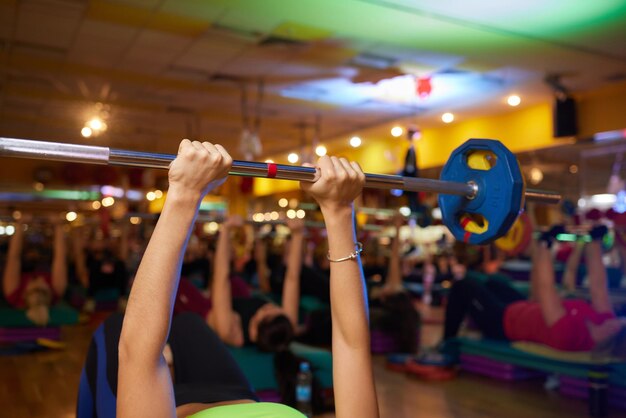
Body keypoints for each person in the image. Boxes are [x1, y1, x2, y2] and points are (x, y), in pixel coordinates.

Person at [78, 139, 379, 418]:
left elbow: (138, 355)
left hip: (182, 402)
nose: (268, 309)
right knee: (184, 327)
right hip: (234, 393)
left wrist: (185, 194)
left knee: (123, 331)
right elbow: (351, 346)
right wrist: (339, 212)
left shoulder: (232, 329)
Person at [441, 224, 626, 355]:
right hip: (522, 306)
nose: (621, 321)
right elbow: (599, 286)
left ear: (613, 338)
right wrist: (595, 242)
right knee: (494, 282)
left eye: (621, 326)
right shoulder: (605, 320)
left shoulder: (572, 336)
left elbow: (546, 291)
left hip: (502, 324)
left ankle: (446, 346)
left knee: (464, 285)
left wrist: (546, 245)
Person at [2, 215, 68, 326]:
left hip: (25, 262)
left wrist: (20, 224)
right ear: (49, 294)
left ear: (25, 294)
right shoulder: (56, 291)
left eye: (35, 288)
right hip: (44, 257)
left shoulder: (13, 293)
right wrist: (58, 226)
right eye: (43, 290)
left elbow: (14, 257)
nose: (40, 281)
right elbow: (60, 258)